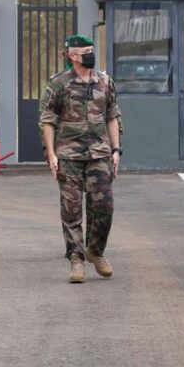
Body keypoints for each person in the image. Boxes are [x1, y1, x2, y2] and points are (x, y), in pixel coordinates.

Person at [39, 35, 122, 284]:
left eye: (91, 50)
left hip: (99, 154)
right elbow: (48, 120)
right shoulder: (59, 84)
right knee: (71, 210)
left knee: (104, 206)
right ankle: (76, 259)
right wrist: (51, 155)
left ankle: (95, 251)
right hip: (69, 156)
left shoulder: (105, 82)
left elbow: (112, 116)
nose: (90, 55)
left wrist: (116, 150)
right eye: (85, 51)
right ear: (73, 56)